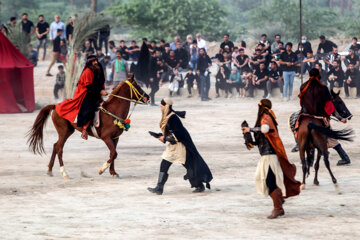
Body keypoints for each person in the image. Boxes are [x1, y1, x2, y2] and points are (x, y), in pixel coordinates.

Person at [242, 99, 301, 219]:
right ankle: (278, 202)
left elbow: (265, 129)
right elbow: (260, 138)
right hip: (266, 156)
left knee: (269, 181)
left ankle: (278, 208)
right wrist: (248, 137)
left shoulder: (266, 116)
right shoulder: (265, 117)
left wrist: (251, 129)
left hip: (270, 156)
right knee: (267, 181)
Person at [148, 98, 213, 194]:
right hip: (173, 146)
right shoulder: (168, 116)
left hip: (180, 146)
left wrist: (164, 138)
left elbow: (179, 134)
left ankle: (199, 185)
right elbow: (169, 133)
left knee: (186, 165)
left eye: (162, 105)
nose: (160, 106)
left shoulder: (173, 117)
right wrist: (158, 136)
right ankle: (160, 187)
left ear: (166, 106)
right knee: (169, 164)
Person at [55, 55, 107, 140]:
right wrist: (100, 91)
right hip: (85, 93)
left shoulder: (96, 70)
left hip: (93, 93)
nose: (96, 62)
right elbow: (89, 86)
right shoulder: (88, 71)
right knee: (89, 108)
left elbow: (98, 82)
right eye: (94, 61)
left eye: (96, 60)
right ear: (90, 63)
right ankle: (85, 129)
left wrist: (101, 90)